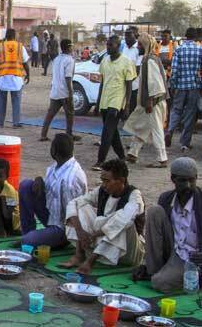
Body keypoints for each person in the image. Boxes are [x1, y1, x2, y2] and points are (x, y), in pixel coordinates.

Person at [62, 159, 145, 275]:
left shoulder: (135, 197)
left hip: (129, 252)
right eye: (102, 181)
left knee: (123, 223)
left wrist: (94, 235)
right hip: (102, 242)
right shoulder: (102, 191)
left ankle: (91, 261)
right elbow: (74, 203)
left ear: (121, 180)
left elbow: (120, 223)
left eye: (107, 181)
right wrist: (80, 231)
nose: (104, 185)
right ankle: (79, 254)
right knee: (81, 207)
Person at [133, 158, 202, 293]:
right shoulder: (166, 198)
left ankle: (167, 276)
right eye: (182, 180)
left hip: (192, 258)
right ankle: (153, 270)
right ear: (173, 179)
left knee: (160, 283)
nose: (188, 185)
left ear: (196, 178)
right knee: (155, 211)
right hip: (174, 250)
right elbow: (159, 235)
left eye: (192, 180)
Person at [19, 133, 87, 248]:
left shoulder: (69, 179)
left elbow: (72, 215)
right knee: (26, 185)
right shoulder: (58, 165)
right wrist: (39, 179)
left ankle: (55, 241)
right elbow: (50, 191)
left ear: (54, 151)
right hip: (53, 217)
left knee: (28, 241)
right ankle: (29, 233)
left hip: (65, 228)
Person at [124, 34, 168, 168]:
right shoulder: (148, 59)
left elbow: (155, 83)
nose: (138, 47)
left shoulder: (150, 60)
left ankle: (162, 159)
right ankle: (133, 153)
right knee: (142, 127)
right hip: (150, 101)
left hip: (153, 102)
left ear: (145, 45)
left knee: (156, 130)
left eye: (140, 45)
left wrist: (149, 101)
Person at [93, 35, 136, 170]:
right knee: (112, 131)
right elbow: (102, 83)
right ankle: (122, 157)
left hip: (117, 101)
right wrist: (98, 102)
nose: (108, 47)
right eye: (107, 45)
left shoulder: (126, 62)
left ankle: (100, 161)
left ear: (118, 46)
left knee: (107, 131)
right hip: (105, 100)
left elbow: (129, 85)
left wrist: (127, 105)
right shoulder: (105, 61)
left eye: (111, 45)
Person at [165, 28, 202, 153]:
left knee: (176, 110)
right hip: (194, 86)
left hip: (180, 86)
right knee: (190, 114)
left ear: (185, 37)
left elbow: (174, 70)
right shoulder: (199, 50)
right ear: (195, 37)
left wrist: (173, 85)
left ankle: (170, 130)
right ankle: (184, 143)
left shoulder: (178, 50)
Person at [40, 39, 80, 141]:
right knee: (70, 114)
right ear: (69, 47)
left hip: (55, 90)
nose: (72, 48)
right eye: (71, 46)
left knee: (50, 114)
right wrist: (71, 93)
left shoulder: (57, 59)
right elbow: (68, 78)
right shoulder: (70, 60)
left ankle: (43, 134)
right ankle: (69, 134)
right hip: (65, 92)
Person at [0, 28, 30, 128]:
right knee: (16, 102)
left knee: (1, 102)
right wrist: (28, 74)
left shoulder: (1, 47)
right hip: (16, 78)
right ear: (15, 36)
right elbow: (25, 63)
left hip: (3, 78)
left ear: (6, 36)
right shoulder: (20, 47)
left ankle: (0, 122)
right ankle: (16, 123)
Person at [122, 27, 142, 115]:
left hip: (134, 85)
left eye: (129, 36)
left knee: (132, 109)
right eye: (125, 36)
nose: (126, 38)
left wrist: (128, 81)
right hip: (123, 83)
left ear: (135, 36)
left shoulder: (139, 48)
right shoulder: (124, 48)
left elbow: (138, 70)